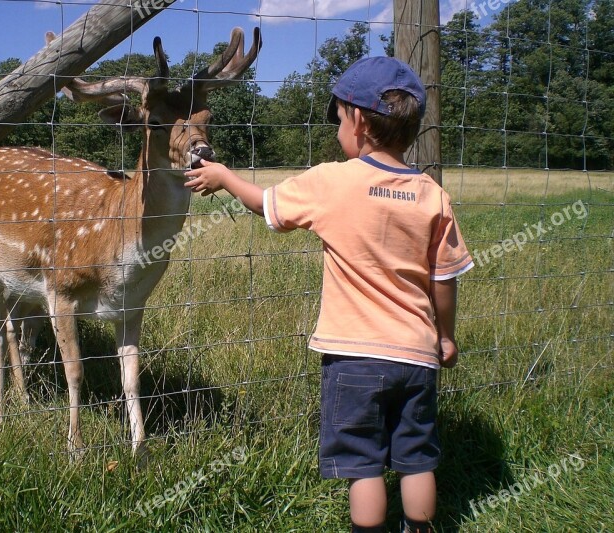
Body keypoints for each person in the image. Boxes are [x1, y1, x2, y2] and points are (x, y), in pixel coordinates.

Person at [184, 56, 474, 533]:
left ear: (358, 121)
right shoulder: (431, 194)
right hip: (417, 356)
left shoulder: (332, 181)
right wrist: (445, 338)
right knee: (416, 457)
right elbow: (445, 279)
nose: (338, 130)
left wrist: (225, 177)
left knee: (362, 464)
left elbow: (266, 205)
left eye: (339, 118)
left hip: (354, 356)